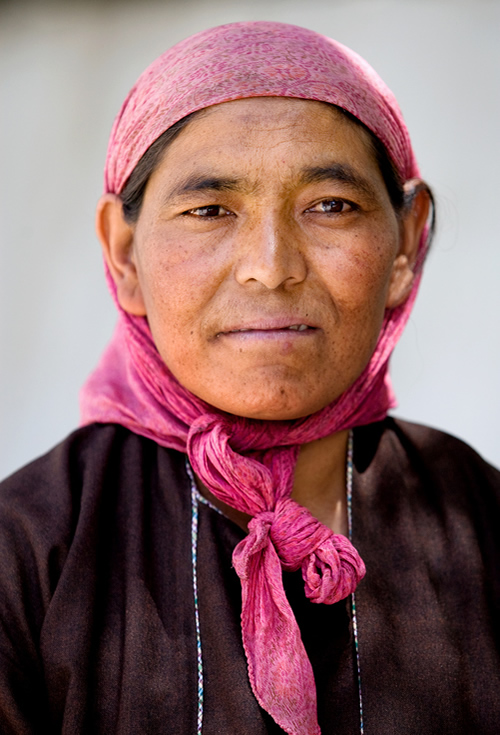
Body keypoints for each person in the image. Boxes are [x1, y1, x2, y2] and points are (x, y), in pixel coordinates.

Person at [0, 20, 498, 735]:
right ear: (123, 252)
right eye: (209, 210)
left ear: (407, 243)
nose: (270, 264)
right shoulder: (29, 553)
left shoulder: (479, 522)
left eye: (331, 205)